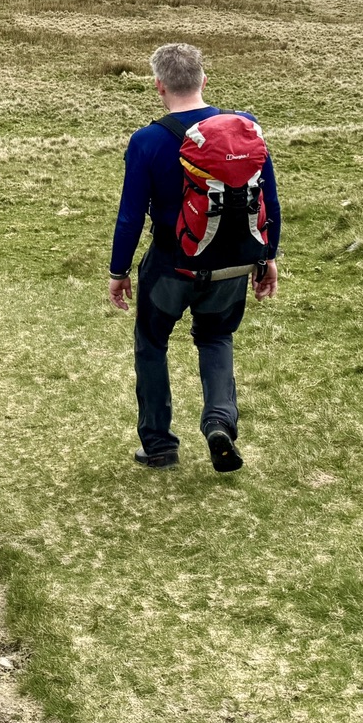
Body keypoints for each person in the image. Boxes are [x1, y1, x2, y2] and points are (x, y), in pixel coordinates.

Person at [108, 43, 281, 473]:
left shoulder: (147, 140)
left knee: (152, 343)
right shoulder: (245, 128)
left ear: (159, 86)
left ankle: (159, 445)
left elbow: (130, 215)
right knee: (217, 338)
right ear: (204, 80)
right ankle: (219, 423)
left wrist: (119, 270)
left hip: (171, 263)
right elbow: (269, 200)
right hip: (231, 263)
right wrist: (268, 258)